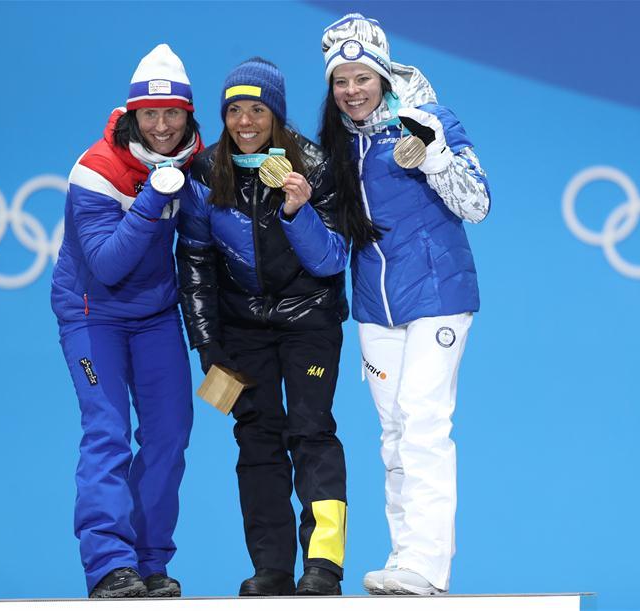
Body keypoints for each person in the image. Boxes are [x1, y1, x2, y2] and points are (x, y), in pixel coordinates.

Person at [319, 14, 491, 596]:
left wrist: (437, 157)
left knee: (423, 422)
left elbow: (478, 204)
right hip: (376, 308)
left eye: (362, 77)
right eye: (341, 81)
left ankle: (428, 563)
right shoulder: (338, 141)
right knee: (393, 433)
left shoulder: (430, 119)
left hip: (439, 297)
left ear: (384, 75)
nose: (352, 90)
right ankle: (405, 557)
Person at [176, 58, 350, 596]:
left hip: (309, 320)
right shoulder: (206, 172)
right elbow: (196, 261)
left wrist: (298, 212)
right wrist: (207, 344)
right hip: (241, 329)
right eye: (234, 111)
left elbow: (331, 260)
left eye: (257, 109)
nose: (245, 122)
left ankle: (323, 565)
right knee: (256, 440)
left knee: (311, 431)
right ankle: (271, 568)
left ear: (276, 112)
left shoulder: (314, 166)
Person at [51, 44, 201, 599]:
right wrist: (152, 197)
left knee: (169, 435)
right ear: (132, 114)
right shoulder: (96, 170)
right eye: (150, 113)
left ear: (187, 115)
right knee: (107, 432)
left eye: (173, 113)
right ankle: (110, 565)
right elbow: (108, 266)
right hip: (94, 316)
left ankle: (149, 561)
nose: (162, 126)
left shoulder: (195, 160)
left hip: (156, 315)